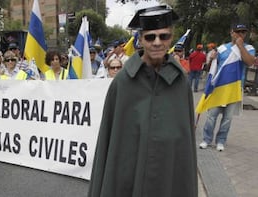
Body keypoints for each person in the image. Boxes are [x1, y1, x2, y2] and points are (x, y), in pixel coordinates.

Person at [88, 5, 197, 197]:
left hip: (167, 176)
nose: (157, 42)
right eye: (150, 37)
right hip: (127, 177)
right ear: (141, 39)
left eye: (163, 36)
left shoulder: (181, 83)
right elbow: (110, 139)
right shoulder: (122, 82)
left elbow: (184, 144)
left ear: (171, 39)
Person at [198, 23, 255, 151]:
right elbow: (211, 68)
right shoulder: (222, 48)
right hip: (218, 88)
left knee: (227, 118)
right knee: (211, 116)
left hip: (234, 89)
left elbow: (249, 62)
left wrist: (240, 46)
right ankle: (206, 139)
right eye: (237, 32)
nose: (240, 34)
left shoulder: (249, 48)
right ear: (231, 33)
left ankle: (221, 141)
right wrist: (211, 60)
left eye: (243, 32)